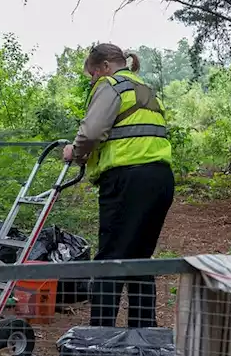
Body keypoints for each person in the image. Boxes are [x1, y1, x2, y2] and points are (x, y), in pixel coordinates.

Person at [63, 43, 174, 327]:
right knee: (140, 258)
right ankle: (143, 335)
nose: (92, 80)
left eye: (92, 74)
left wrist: (74, 154)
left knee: (110, 257)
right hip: (160, 179)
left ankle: (98, 336)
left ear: (104, 67)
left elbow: (91, 132)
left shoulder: (111, 85)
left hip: (128, 179)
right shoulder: (144, 89)